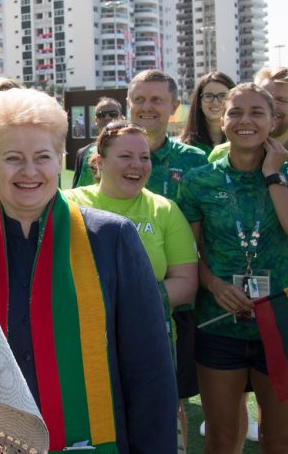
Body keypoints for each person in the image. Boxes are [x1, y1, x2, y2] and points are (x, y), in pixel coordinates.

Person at [0, 88, 177, 452]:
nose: (30, 172)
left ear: (60, 159)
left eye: (43, 157)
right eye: (13, 158)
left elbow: (149, 371)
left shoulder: (112, 240)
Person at [178, 83, 288, 454]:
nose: (245, 120)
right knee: (221, 440)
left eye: (257, 112)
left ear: (274, 121)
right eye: (235, 112)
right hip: (219, 322)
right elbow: (190, 254)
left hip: (282, 324)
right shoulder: (198, 182)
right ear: (222, 121)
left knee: (280, 441)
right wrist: (213, 283)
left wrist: (274, 175)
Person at [64, 121, 198, 448]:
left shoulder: (165, 210)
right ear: (99, 161)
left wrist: (126, 302)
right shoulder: (67, 205)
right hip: (81, 345)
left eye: (145, 157)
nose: (137, 165)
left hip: (151, 344)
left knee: (152, 431)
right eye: (125, 156)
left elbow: (186, 283)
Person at [76, 70, 207, 196]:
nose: (146, 107)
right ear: (128, 104)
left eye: (156, 100)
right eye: (139, 99)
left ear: (174, 107)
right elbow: (83, 208)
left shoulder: (194, 160)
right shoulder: (99, 155)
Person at [71, 96, 124, 187]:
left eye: (113, 114)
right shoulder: (83, 153)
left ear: (122, 117)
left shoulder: (134, 149)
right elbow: (76, 189)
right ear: (95, 120)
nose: (107, 117)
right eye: (101, 115)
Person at [180, 71, 236, 156]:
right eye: (209, 96)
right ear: (199, 102)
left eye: (222, 96)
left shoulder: (242, 142)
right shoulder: (184, 147)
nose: (215, 102)